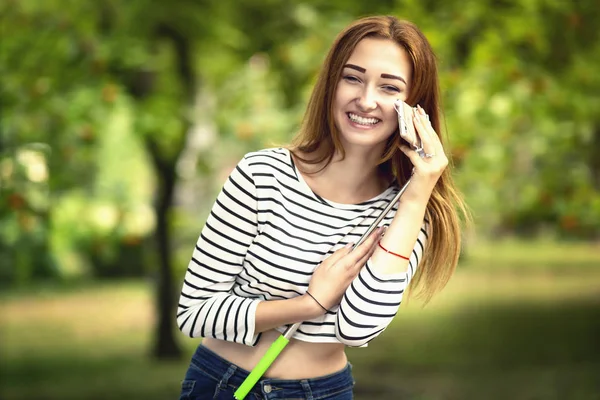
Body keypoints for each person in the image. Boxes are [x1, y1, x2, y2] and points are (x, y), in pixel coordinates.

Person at [177, 15, 468, 400]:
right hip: (224, 384)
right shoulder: (262, 175)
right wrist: (308, 304)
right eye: (353, 78)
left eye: (389, 87)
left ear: (415, 108)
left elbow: (359, 326)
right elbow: (195, 312)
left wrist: (419, 190)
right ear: (331, 83)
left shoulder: (411, 214)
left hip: (323, 392)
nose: (366, 100)